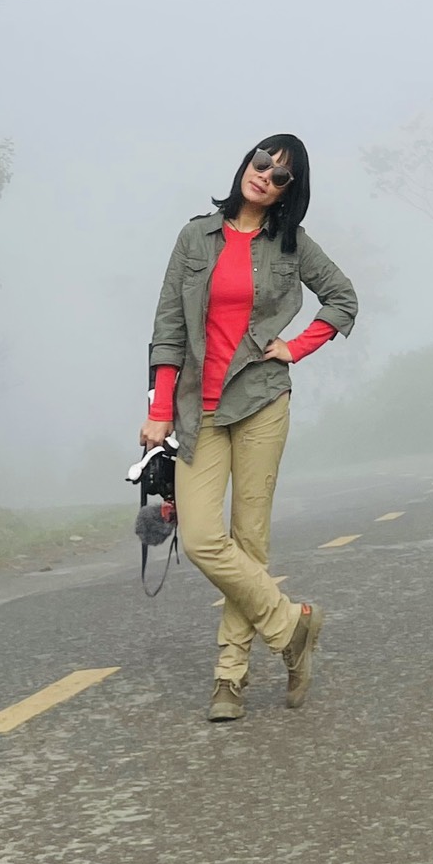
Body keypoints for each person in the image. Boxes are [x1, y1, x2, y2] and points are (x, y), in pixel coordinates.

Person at [141, 133, 357, 721]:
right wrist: (160, 408)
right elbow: (168, 328)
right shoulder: (195, 237)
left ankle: (229, 678)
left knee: (249, 542)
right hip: (197, 409)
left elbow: (342, 299)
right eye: (262, 161)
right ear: (246, 163)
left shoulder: (292, 245)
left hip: (261, 401)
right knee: (207, 538)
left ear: (290, 191)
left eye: (281, 174)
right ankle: (291, 629)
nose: (265, 175)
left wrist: (295, 347)